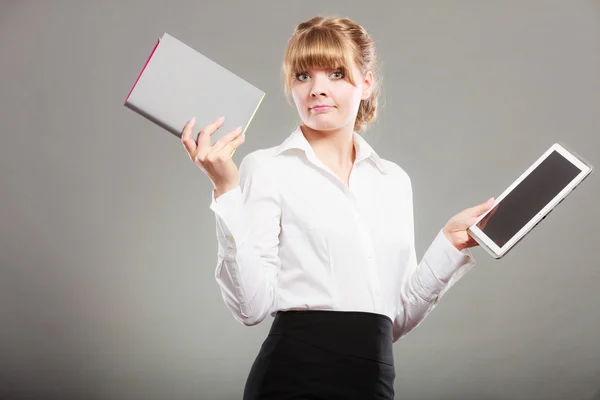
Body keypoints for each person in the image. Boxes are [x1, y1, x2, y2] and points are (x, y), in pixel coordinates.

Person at [181, 15, 495, 400]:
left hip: (373, 382)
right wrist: (226, 190)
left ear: (366, 83)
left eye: (335, 74)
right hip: (291, 379)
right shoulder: (266, 168)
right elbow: (251, 308)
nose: (316, 89)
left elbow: (394, 320)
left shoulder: (393, 181)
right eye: (302, 76)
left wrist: (450, 244)